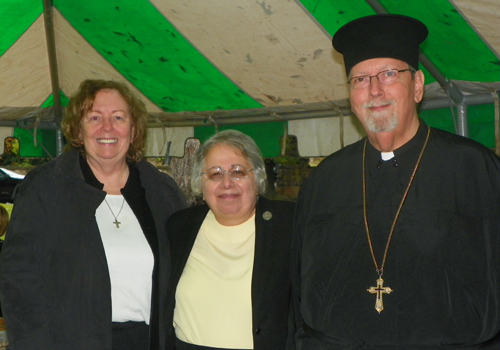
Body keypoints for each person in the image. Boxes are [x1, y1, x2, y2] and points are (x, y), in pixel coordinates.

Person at [291, 14, 500, 349]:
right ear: (350, 95)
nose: (375, 90)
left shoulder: (476, 169)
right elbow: (300, 287)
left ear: (417, 86)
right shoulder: (324, 179)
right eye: (360, 79)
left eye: (389, 74)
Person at [0, 79, 187, 350]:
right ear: (78, 128)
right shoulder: (46, 188)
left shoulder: (161, 191)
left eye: (119, 117)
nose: (107, 127)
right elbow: (19, 282)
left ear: (133, 130)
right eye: (94, 117)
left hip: (149, 341)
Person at [165, 130, 295, 350]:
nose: (227, 183)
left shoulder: (290, 225)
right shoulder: (179, 227)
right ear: (201, 184)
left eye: (238, 172)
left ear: (258, 178)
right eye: (215, 174)